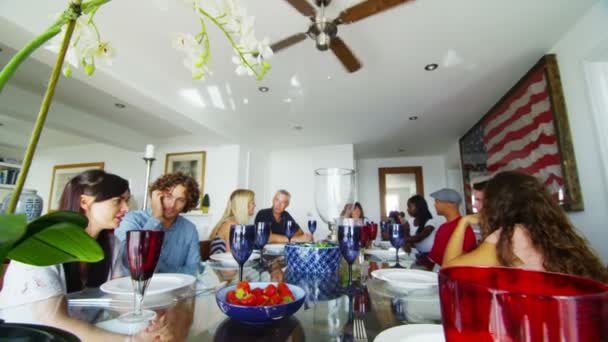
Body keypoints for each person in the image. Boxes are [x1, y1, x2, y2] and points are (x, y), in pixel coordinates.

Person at [0, 170, 162, 341]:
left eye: (126, 201)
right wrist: (131, 340)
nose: (126, 208)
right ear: (84, 201)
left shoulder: (112, 244)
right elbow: (53, 321)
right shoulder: (40, 244)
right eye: (118, 201)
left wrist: (152, 322)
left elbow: (118, 297)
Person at [443, 171, 608, 283]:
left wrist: (462, 223)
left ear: (499, 203)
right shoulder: (549, 230)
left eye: (484, 200)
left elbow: (451, 270)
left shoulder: (512, 236)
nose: (479, 207)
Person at [115, 173, 201, 276]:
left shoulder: (189, 229)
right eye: (168, 196)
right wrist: (155, 218)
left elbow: (194, 270)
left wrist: (159, 270)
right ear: (157, 196)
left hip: (174, 289)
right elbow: (131, 262)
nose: (172, 205)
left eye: (181, 200)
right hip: (134, 289)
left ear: (187, 203)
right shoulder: (131, 220)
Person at [427, 188, 477, 267]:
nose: (434, 205)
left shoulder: (464, 228)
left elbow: (463, 260)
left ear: (450, 204)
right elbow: (435, 258)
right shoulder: (442, 227)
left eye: (437, 201)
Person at [208, 189, 256, 255]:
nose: (255, 205)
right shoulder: (230, 225)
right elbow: (232, 256)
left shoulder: (234, 223)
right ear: (244, 205)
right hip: (223, 264)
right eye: (252, 202)